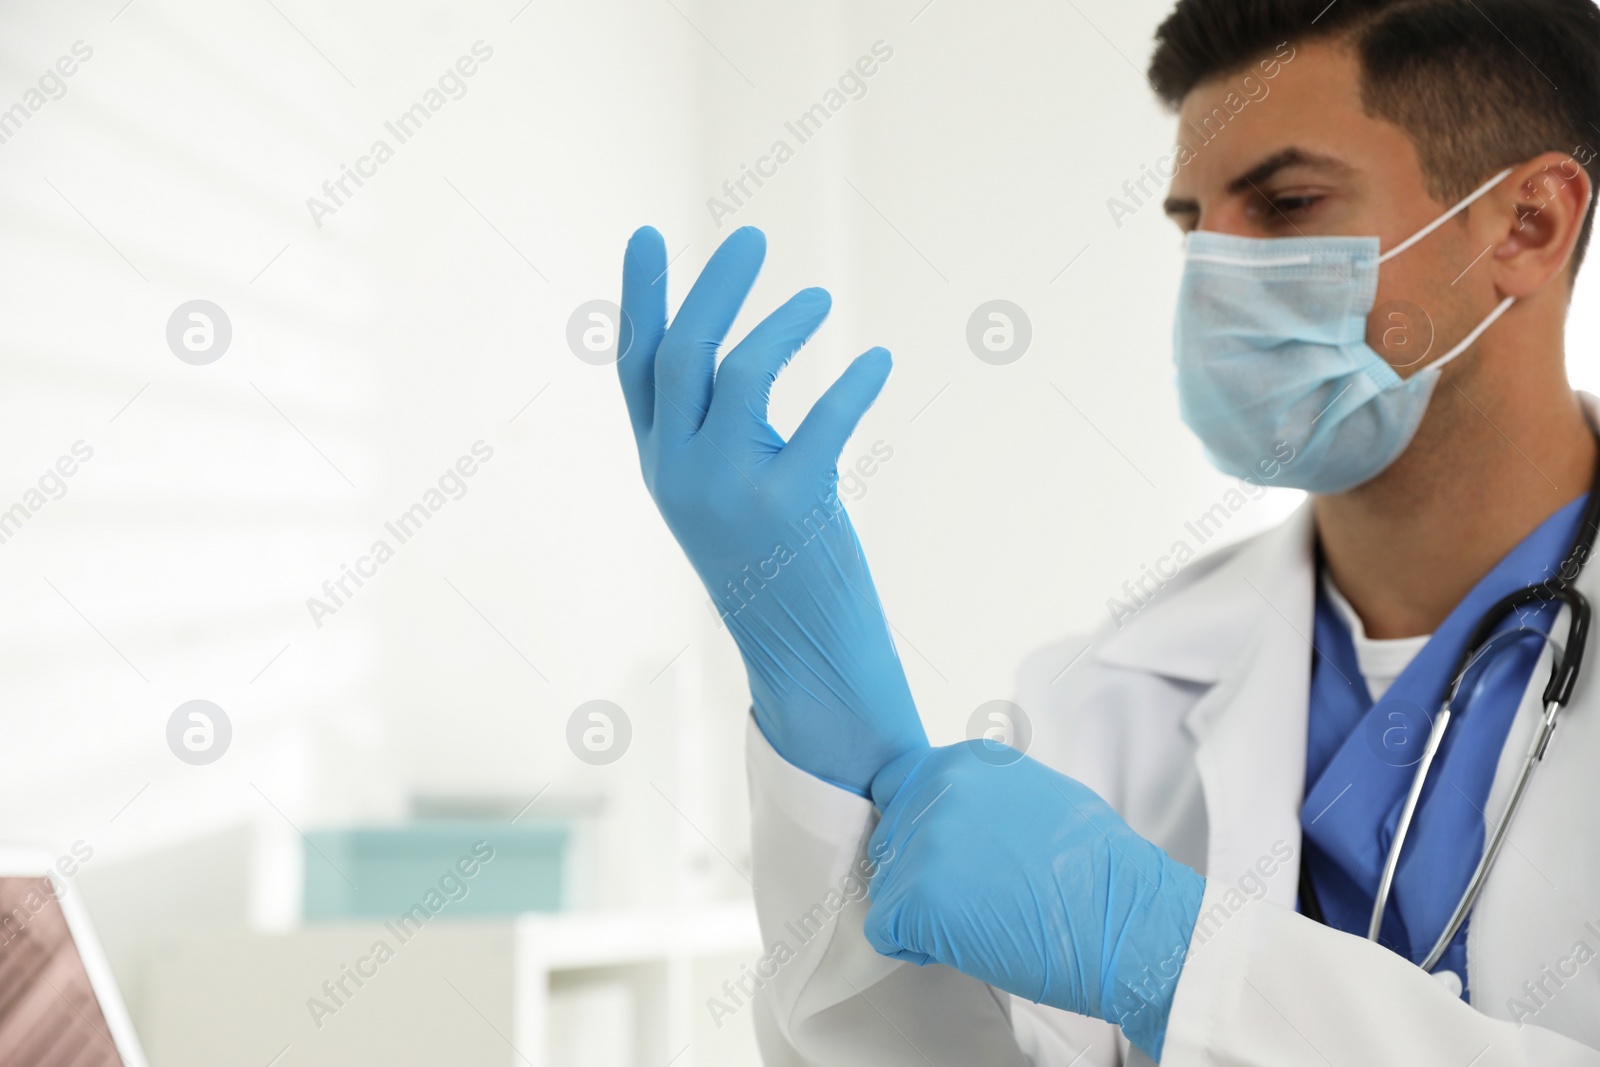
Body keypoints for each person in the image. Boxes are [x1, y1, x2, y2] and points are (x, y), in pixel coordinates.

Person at [613, 0, 1600, 1062]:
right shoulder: (1101, 691)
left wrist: (1180, 959)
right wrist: (839, 753)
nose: (1214, 280)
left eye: (1284, 204)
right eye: (1191, 225)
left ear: (1527, 224)